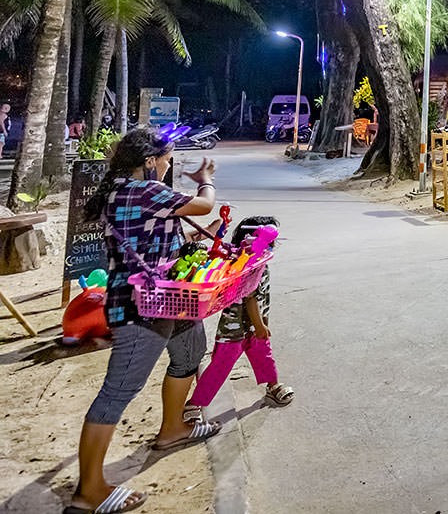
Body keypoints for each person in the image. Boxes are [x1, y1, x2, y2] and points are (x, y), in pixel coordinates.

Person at [71, 129, 220, 514]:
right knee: (119, 390)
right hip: (141, 307)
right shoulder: (141, 191)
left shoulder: (126, 190)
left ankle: (172, 429)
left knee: (191, 351)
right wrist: (206, 182)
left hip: (170, 296)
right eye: (167, 160)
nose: (169, 166)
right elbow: (204, 205)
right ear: (149, 161)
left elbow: (153, 235)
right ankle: (89, 490)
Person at [185, 217, 294, 419]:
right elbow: (250, 297)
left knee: (263, 357)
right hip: (236, 328)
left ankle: (273, 385)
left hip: (252, 327)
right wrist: (260, 325)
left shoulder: (256, 261)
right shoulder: (250, 264)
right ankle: (195, 404)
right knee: (221, 365)